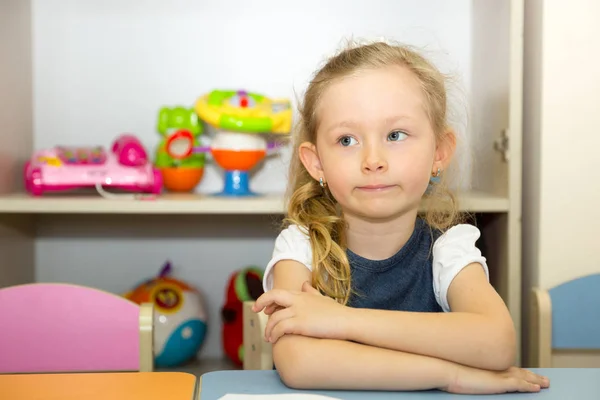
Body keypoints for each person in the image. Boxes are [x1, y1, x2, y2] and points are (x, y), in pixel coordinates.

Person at [252, 40, 549, 394]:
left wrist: (341, 321)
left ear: (439, 152)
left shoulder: (449, 249)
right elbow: (299, 363)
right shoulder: (301, 246)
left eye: (395, 135)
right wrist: (450, 375)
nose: (373, 159)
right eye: (347, 140)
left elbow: (497, 343)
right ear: (316, 163)